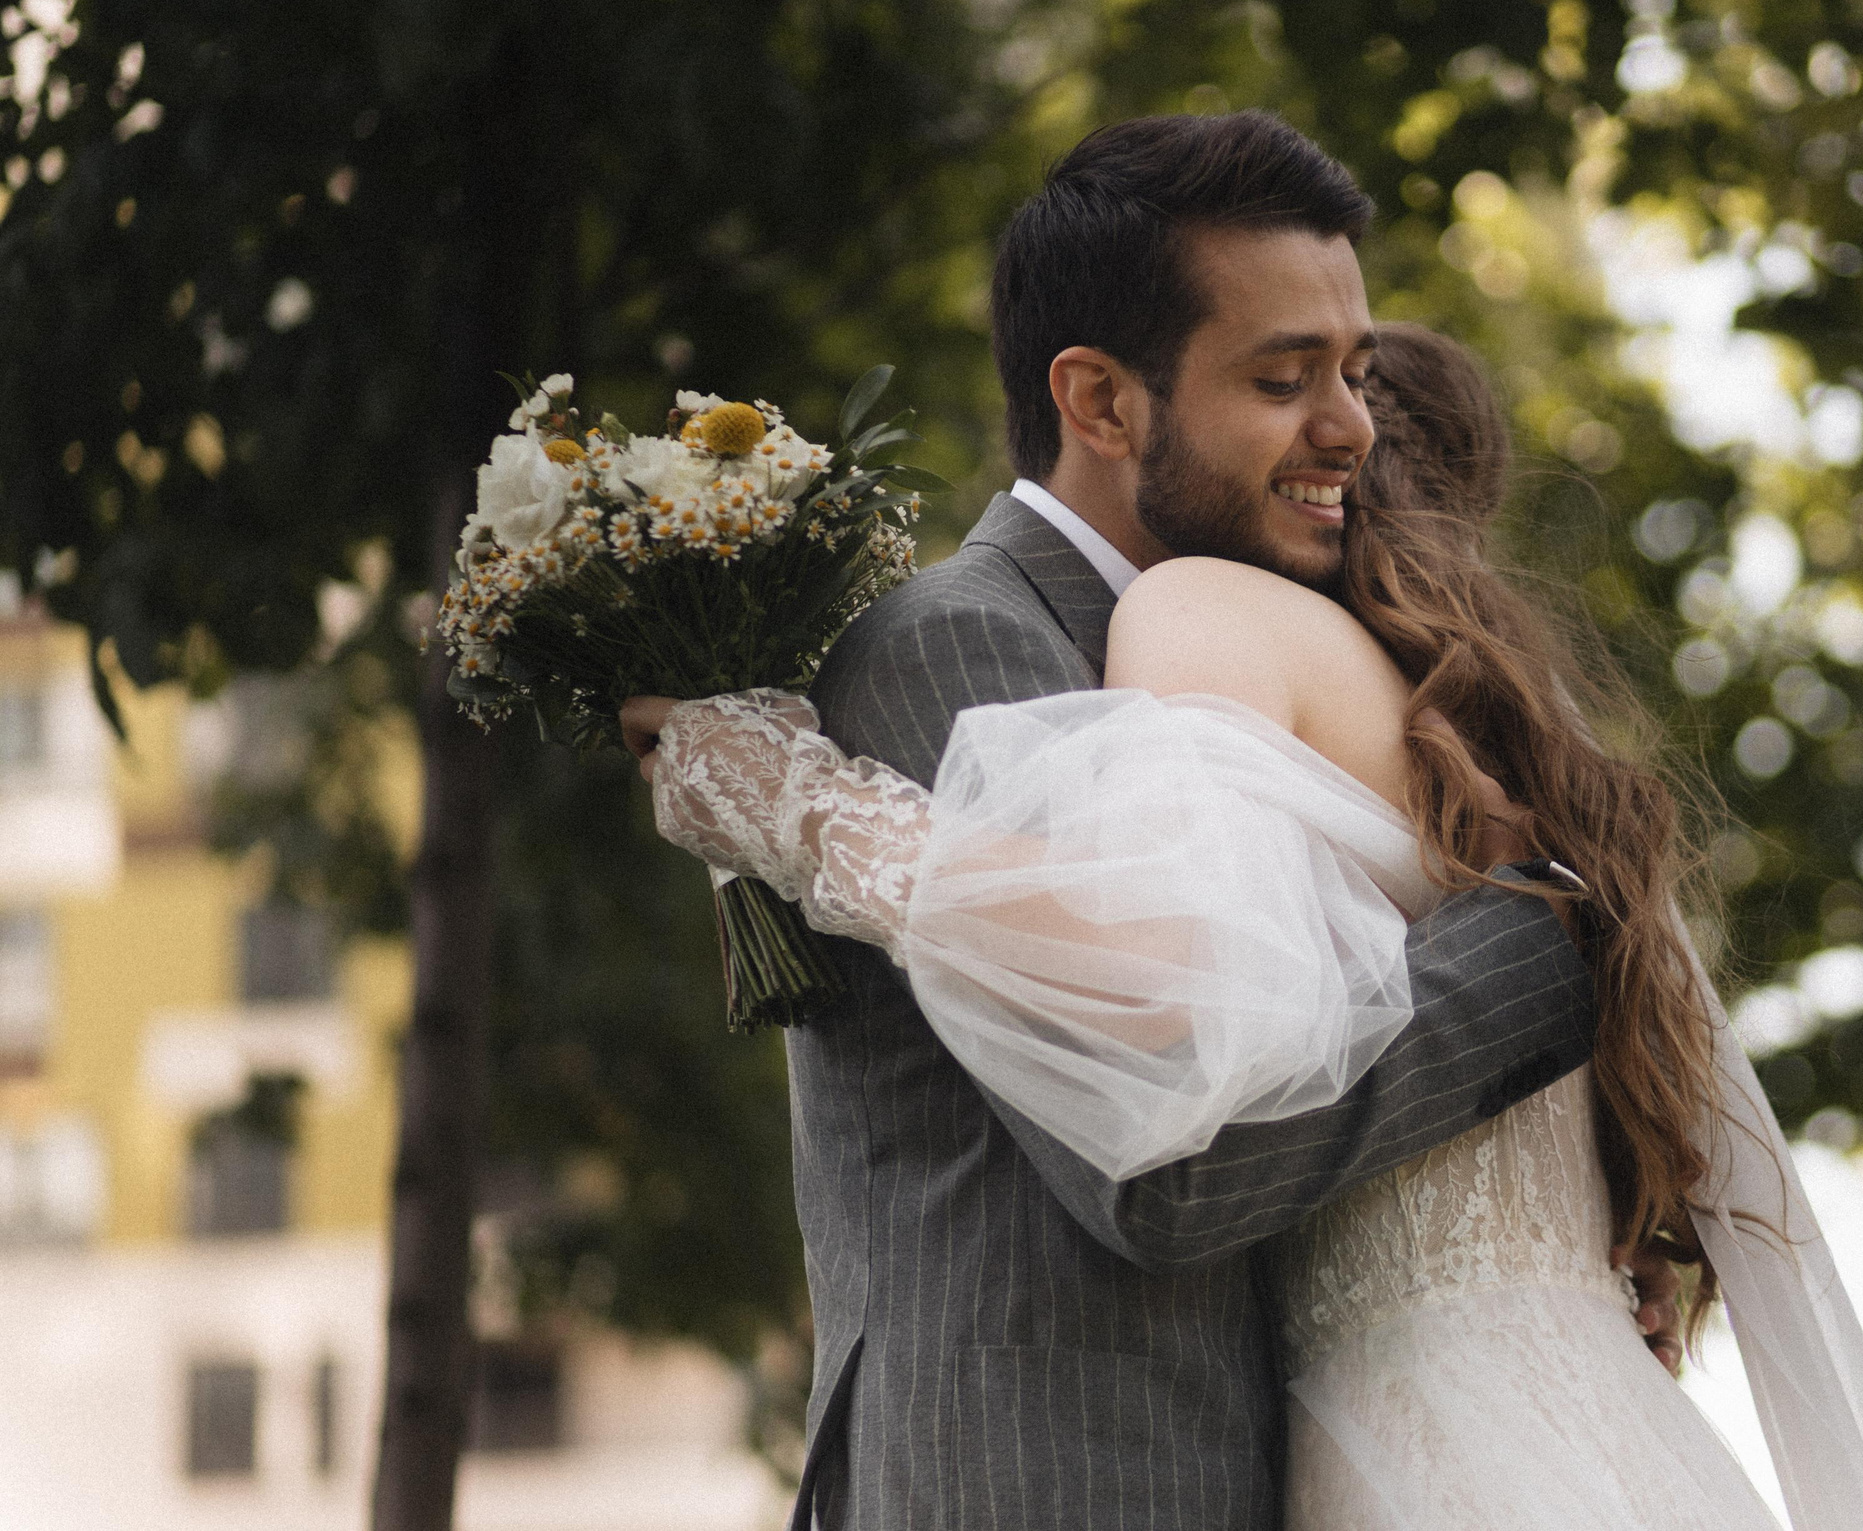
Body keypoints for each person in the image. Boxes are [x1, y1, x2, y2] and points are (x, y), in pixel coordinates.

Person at [629, 302, 1863, 1524]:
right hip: (1586, 1425)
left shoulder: (1200, 618)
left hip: (1423, 1440)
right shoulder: (1504, 745)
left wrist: (810, 812)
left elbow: (1174, 1102)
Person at [626, 112, 1643, 1531]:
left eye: (1355, 373)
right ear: (1101, 403)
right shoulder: (963, 644)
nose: (1352, 426)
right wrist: (1526, 962)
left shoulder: (1253, 646)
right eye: (1283, 379)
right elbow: (1176, 1157)